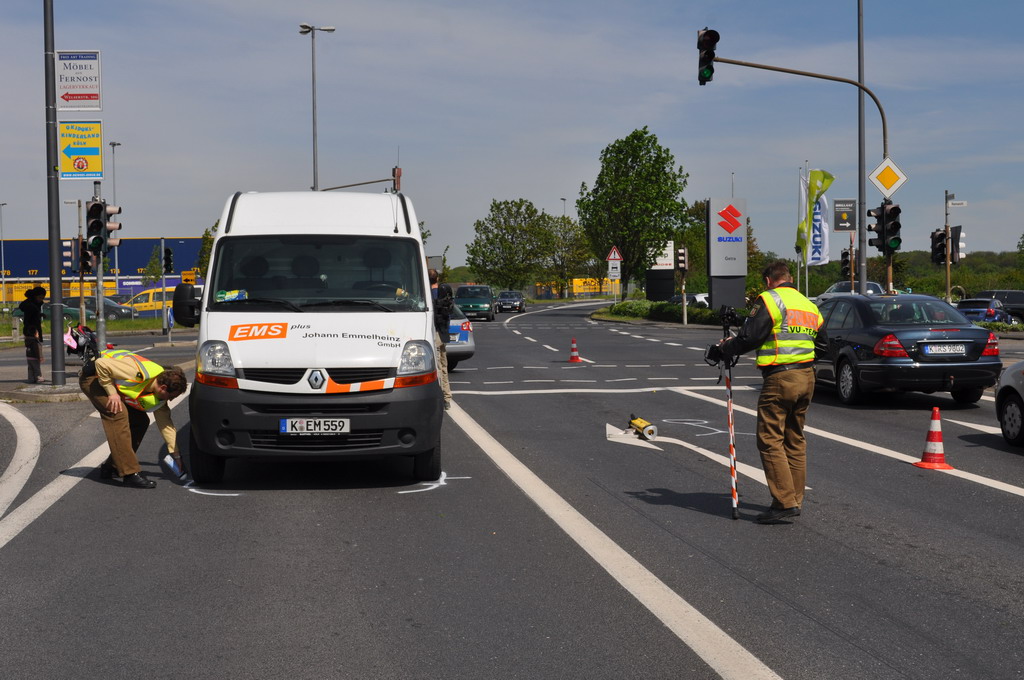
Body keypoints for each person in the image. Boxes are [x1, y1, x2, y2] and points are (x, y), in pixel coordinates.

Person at [707, 260, 823, 524]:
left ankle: (783, 503)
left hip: (780, 377)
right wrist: (742, 321)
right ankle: (794, 499)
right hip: (807, 376)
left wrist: (724, 348)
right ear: (789, 278)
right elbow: (818, 340)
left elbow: (751, 337)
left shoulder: (770, 299)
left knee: (770, 440)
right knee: (795, 439)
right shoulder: (808, 304)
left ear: (769, 280)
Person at [79, 348, 188, 488]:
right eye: (171, 397)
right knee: (117, 413)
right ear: (163, 388)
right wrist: (112, 393)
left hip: (110, 378)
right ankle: (129, 473)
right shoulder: (138, 373)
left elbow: (166, 424)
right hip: (94, 378)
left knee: (141, 421)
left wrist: (176, 455)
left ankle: (112, 467)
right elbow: (101, 364)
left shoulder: (158, 392)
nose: (171, 400)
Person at [429, 268, 453, 410]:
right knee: (443, 365)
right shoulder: (444, 291)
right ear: (437, 278)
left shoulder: (426, 293)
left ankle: (437, 397)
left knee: (436, 366)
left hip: (432, 331)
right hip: (443, 331)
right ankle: (446, 397)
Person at [19, 286, 47, 384]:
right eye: (40, 297)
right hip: (32, 331)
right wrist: (35, 332)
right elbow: (31, 320)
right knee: (36, 354)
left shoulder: (31, 304)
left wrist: (39, 315)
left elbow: (30, 317)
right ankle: (38, 376)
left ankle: (31, 378)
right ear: (35, 296)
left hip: (29, 331)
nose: (41, 300)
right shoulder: (32, 306)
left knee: (30, 356)